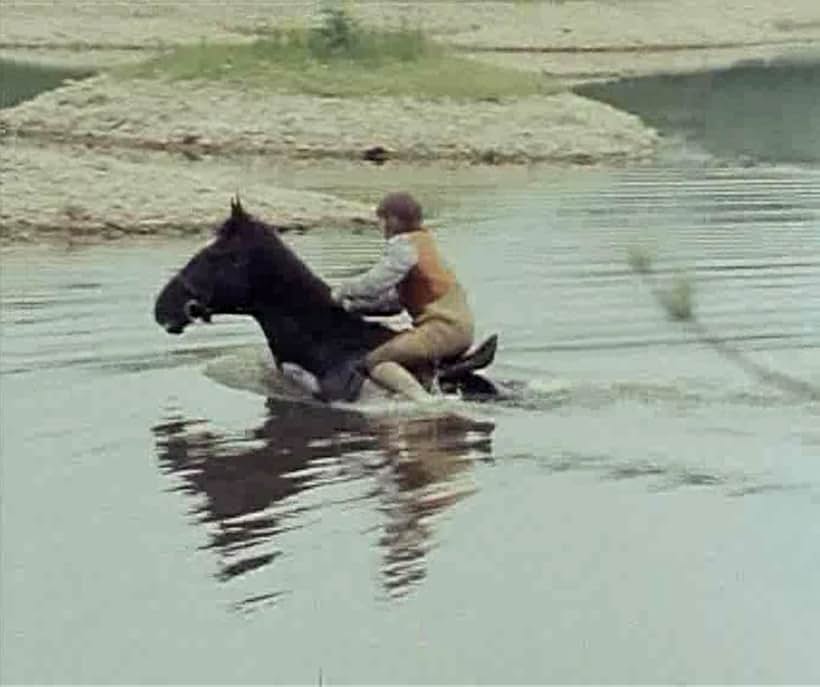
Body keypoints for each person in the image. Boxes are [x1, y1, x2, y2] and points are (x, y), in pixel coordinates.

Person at [331, 192, 475, 402]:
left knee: (376, 361)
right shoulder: (424, 243)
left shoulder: (404, 245)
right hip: (458, 330)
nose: (379, 227)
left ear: (393, 220)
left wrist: (341, 291)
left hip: (443, 329)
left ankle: (424, 404)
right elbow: (393, 303)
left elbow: (375, 283)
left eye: (381, 220)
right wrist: (353, 307)